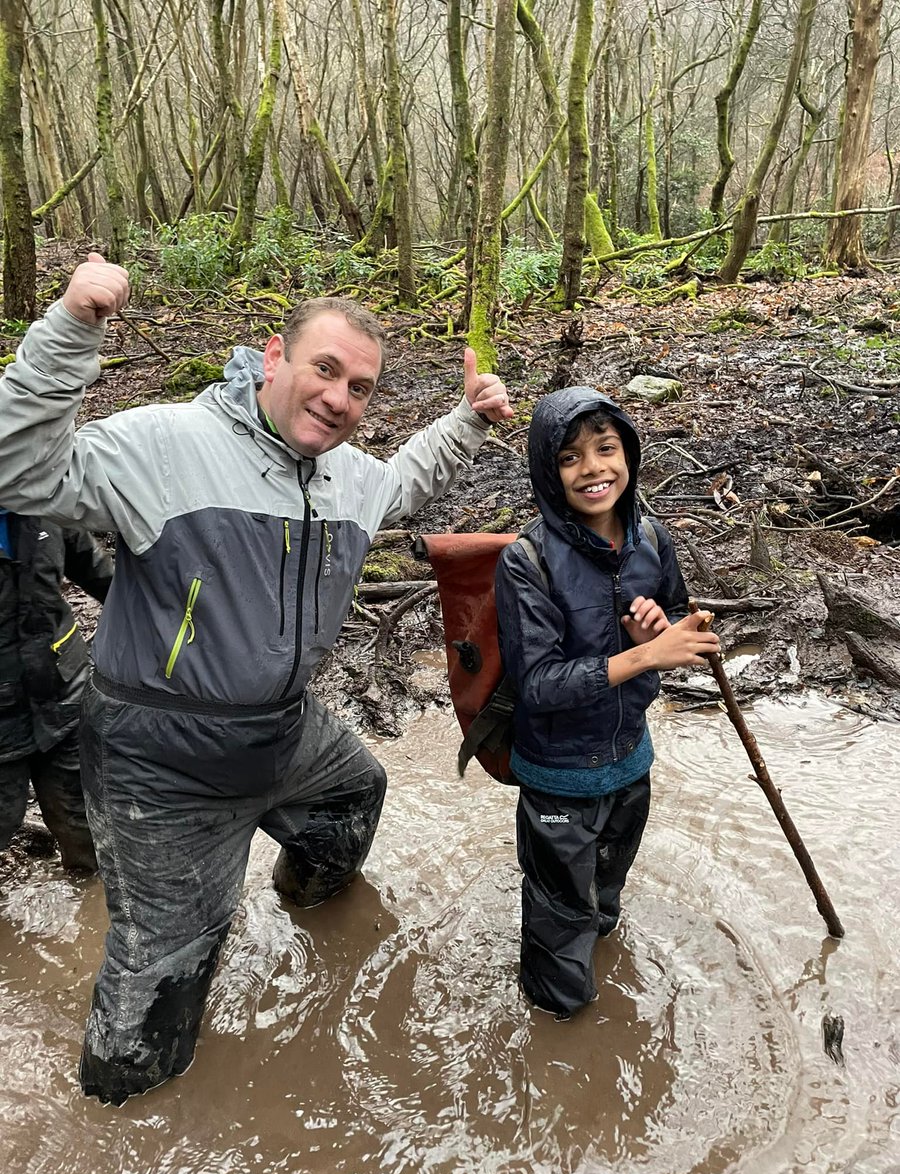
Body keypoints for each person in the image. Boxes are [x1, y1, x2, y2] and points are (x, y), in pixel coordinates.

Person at [0, 253, 513, 1105]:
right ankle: (119, 1120)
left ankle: (311, 919)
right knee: (162, 968)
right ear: (274, 357)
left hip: (283, 731)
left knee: (354, 799)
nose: (340, 398)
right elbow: (19, 475)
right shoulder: (163, 445)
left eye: (360, 387)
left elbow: (404, 485)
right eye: (324, 369)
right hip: (159, 764)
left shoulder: (348, 476)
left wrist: (465, 420)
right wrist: (71, 330)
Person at [494, 387, 720, 1019]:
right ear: (548, 470)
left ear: (629, 454)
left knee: (604, 906)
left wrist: (659, 627)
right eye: (570, 458)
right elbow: (538, 686)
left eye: (606, 449)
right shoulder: (525, 561)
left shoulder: (650, 536)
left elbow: (679, 623)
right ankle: (555, 1035)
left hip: (630, 764)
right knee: (559, 941)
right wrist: (643, 657)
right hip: (558, 778)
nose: (593, 469)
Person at [0, 510, 111, 871]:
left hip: (63, 693)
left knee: (81, 819)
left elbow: (101, 574)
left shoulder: (41, 499)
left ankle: (90, 902)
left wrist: (175, 615)